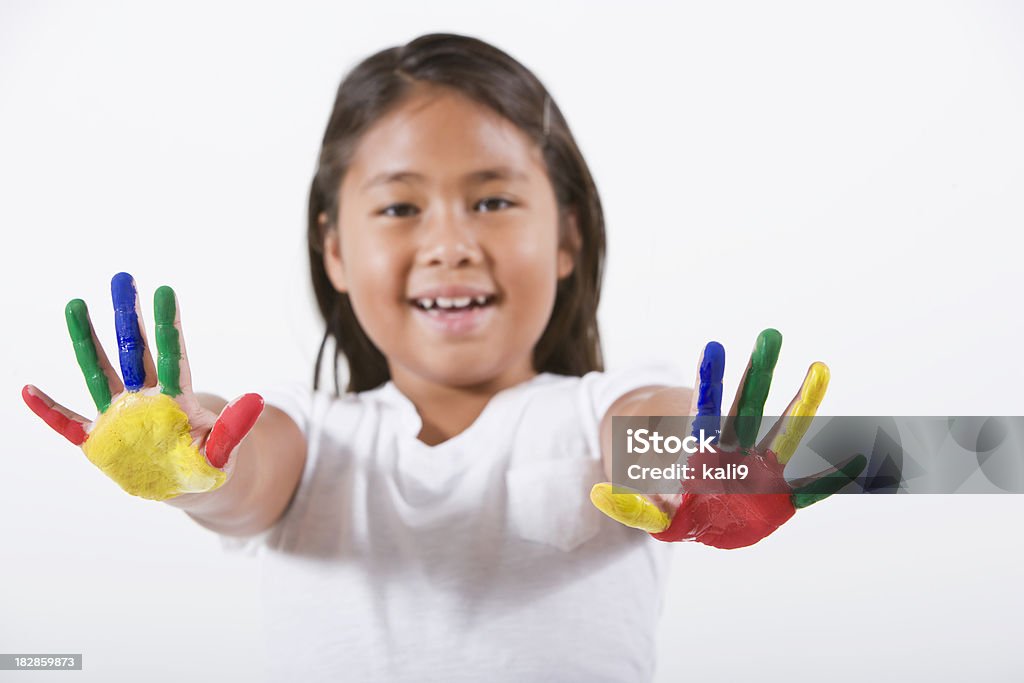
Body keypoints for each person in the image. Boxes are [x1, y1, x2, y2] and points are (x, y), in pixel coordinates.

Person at [22, 32, 854, 682]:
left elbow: (646, 435)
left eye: (493, 199)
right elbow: (246, 476)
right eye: (399, 207)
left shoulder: (596, 411)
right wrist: (193, 465)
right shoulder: (313, 435)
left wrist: (703, 461)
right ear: (335, 250)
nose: (451, 243)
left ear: (565, 235)